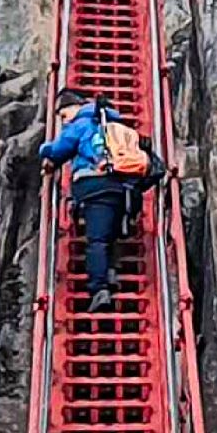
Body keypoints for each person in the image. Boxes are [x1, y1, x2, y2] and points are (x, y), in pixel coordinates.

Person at [38, 88, 140, 309]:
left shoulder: (80, 124)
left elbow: (58, 150)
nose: (64, 122)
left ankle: (99, 289)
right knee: (109, 234)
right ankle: (111, 274)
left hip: (94, 186)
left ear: (74, 108)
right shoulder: (111, 122)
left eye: (64, 115)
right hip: (121, 185)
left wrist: (43, 150)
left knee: (97, 240)